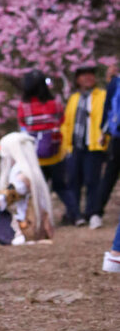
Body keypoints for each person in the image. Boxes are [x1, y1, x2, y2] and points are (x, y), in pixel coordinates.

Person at [17, 69, 79, 224]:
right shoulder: (55, 105)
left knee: (37, 190)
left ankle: (40, 220)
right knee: (61, 187)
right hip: (56, 154)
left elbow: (22, 129)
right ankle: (77, 216)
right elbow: (62, 122)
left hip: (34, 157)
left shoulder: (23, 107)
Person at [61, 64, 107, 226]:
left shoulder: (102, 95)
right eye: (84, 76)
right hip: (75, 146)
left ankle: (92, 212)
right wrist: (66, 145)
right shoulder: (74, 98)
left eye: (91, 75)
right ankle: (74, 213)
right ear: (78, 80)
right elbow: (66, 123)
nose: (88, 78)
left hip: (94, 145)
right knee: (73, 180)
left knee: (92, 180)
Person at [0, 132, 54, 244]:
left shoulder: (20, 173)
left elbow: (2, 199)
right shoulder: (31, 169)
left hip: (26, 227)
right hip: (33, 224)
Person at [90, 62, 120, 228]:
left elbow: (107, 110)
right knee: (109, 175)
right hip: (117, 137)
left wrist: (104, 131)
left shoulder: (115, 83)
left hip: (117, 138)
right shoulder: (115, 83)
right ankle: (96, 212)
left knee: (109, 175)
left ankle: (96, 213)